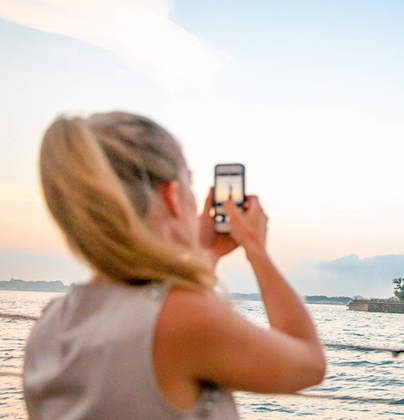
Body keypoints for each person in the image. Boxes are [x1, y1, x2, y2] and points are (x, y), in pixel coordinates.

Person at [23, 112, 326, 419]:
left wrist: (203, 251)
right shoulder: (180, 316)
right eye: (189, 183)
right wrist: (255, 249)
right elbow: (309, 363)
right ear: (171, 196)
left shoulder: (50, 326)